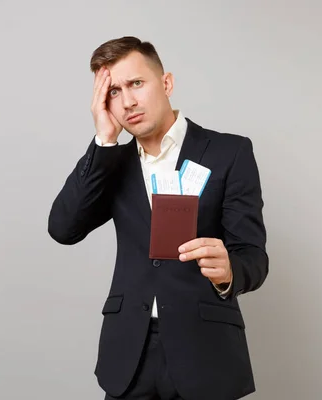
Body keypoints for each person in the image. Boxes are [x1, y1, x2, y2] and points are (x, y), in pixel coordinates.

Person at [47, 36, 269, 400]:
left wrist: (230, 271)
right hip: (130, 354)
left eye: (136, 83)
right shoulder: (112, 164)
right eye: (114, 92)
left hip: (205, 351)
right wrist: (104, 139)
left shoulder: (230, 152)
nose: (128, 101)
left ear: (166, 83)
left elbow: (254, 256)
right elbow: (63, 228)